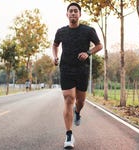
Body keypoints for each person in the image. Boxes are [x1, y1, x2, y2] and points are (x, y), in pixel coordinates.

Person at [52, 2, 103, 149]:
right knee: (69, 98)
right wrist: (54, 57)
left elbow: (99, 46)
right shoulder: (61, 31)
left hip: (82, 70)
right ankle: (69, 135)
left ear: (80, 14)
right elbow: (55, 45)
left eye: (76, 11)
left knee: (80, 101)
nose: (73, 13)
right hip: (66, 68)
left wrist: (88, 53)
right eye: (71, 11)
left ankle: (77, 111)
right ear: (67, 15)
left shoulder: (88, 30)